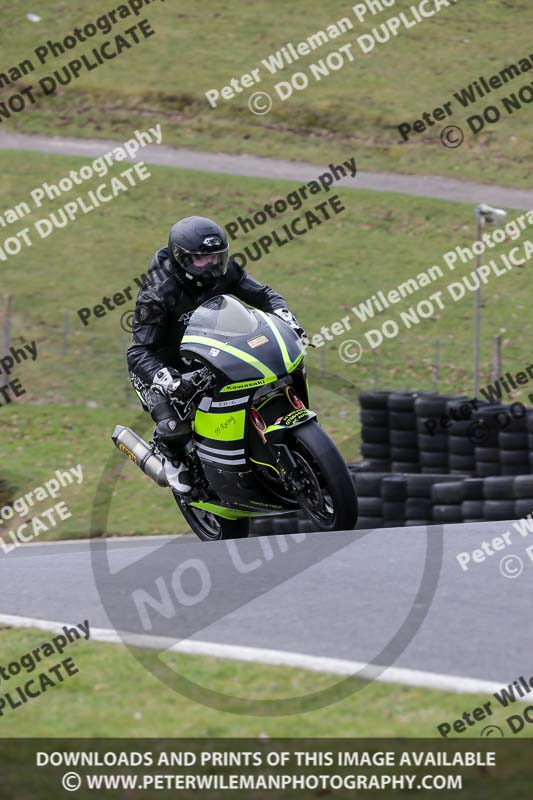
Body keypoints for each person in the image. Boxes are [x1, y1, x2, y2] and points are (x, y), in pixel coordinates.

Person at [127, 215, 306, 493]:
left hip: (211, 351)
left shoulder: (225, 271)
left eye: (217, 257)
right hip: (164, 367)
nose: (211, 265)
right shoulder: (158, 293)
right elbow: (138, 352)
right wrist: (170, 380)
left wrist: (286, 319)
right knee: (174, 425)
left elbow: (264, 295)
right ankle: (172, 459)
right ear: (181, 258)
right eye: (202, 259)